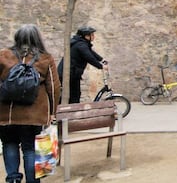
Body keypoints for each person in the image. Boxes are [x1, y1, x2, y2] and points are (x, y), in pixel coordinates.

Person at [0, 24, 61, 183]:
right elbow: (54, 88)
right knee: (29, 149)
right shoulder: (45, 58)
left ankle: (13, 178)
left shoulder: (4, 55)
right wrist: (52, 112)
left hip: (7, 114)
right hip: (34, 115)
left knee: (9, 144)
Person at [58, 26, 108, 104]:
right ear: (86, 36)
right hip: (70, 74)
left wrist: (102, 59)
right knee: (74, 95)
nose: (93, 36)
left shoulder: (81, 43)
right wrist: (101, 66)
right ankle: (69, 112)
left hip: (72, 73)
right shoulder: (81, 45)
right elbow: (89, 57)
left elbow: (91, 52)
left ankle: (69, 111)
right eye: (92, 35)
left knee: (74, 94)